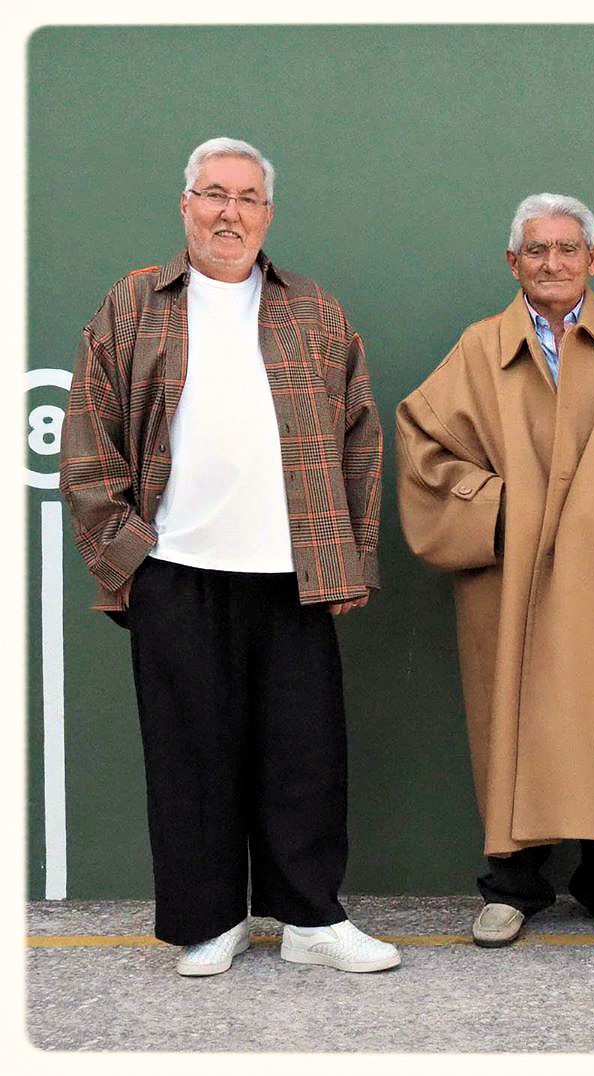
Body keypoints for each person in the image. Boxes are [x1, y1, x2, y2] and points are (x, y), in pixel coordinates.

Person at [59, 136, 400, 977]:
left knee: (304, 756)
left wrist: (352, 557)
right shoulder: (133, 304)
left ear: (267, 215)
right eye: (214, 194)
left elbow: (361, 438)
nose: (229, 212)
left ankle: (312, 920)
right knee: (191, 758)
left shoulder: (314, 311)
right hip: (175, 570)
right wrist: (126, 556)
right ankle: (210, 922)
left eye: (247, 198)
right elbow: (88, 438)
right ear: (186, 205)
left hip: (293, 572)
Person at [396, 193, 594, 947]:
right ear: (513, 262)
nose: (553, 263)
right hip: (507, 578)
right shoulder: (479, 348)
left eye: (568, 248)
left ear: (593, 259)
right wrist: (500, 510)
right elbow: (424, 446)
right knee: (509, 715)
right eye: (537, 250)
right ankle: (512, 887)